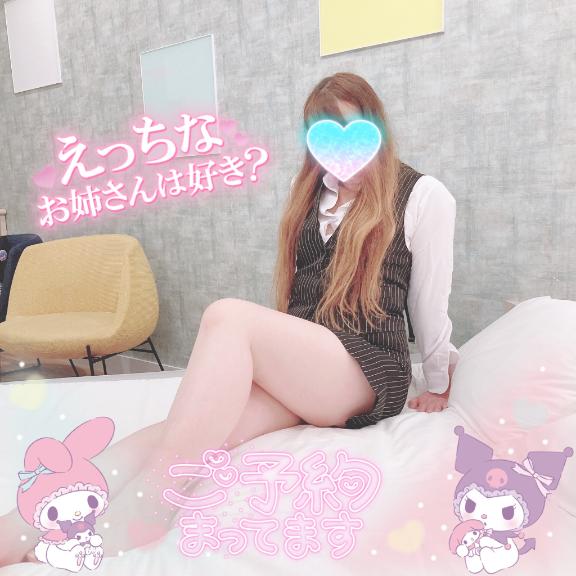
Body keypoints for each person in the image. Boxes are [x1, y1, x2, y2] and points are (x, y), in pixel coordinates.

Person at [0, 71, 458, 565]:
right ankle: (26, 524)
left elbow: (430, 300)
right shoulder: (308, 191)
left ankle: (147, 509)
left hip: (368, 368)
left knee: (228, 316)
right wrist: (277, 364)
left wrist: (436, 381)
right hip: (310, 373)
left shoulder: (422, 194)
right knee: (181, 431)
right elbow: (298, 294)